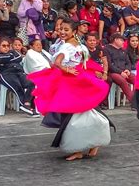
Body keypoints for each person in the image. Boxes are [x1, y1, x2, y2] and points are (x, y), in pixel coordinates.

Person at [27, 19, 113, 161]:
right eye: (61, 28)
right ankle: (93, 143)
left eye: (66, 29)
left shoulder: (66, 47)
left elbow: (57, 62)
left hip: (71, 82)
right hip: (80, 80)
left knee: (73, 115)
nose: (62, 31)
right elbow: (85, 62)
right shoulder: (80, 46)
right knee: (87, 111)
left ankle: (79, 149)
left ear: (74, 32)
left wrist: (66, 69)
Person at [0, 37, 37, 116]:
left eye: (8, 46)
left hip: (19, 72)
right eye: (3, 46)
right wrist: (10, 56)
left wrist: (5, 60)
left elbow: (19, 58)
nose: (6, 48)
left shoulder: (13, 52)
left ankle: (26, 104)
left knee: (31, 83)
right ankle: (26, 105)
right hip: (6, 74)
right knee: (18, 87)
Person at [104, 33, 135, 103]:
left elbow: (128, 62)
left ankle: (136, 99)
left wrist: (128, 69)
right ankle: (133, 102)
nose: (123, 42)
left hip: (124, 71)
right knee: (122, 81)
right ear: (115, 40)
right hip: (112, 72)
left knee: (136, 79)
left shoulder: (123, 50)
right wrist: (120, 72)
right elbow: (109, 65)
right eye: (121, 40)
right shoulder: (107, 49)